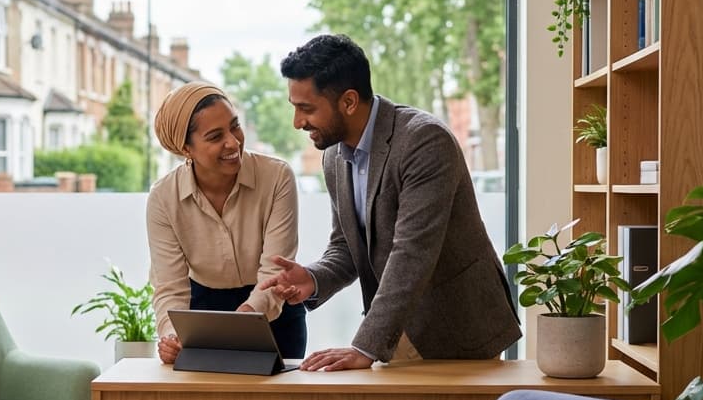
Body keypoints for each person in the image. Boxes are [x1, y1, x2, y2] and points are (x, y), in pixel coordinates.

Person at [259, 33, 520, 371]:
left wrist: (363, 347)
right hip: (395, 327)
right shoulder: (334, 157)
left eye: (306, 109)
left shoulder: (424, 141)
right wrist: (312, 277)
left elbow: (412, 253)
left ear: (349, 102)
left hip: (458, 327)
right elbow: (346, 247)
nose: (297, 123)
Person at [147, 80, 307, 365]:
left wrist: (243, 320)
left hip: (272, 314)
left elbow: (274, 268)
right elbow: (170, 287)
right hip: (202, 315)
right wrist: (172, 337)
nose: (233, 142)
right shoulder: (163, 198)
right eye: (214, 136)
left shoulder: (276, 177)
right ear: (187, 149)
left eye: (235, 126)